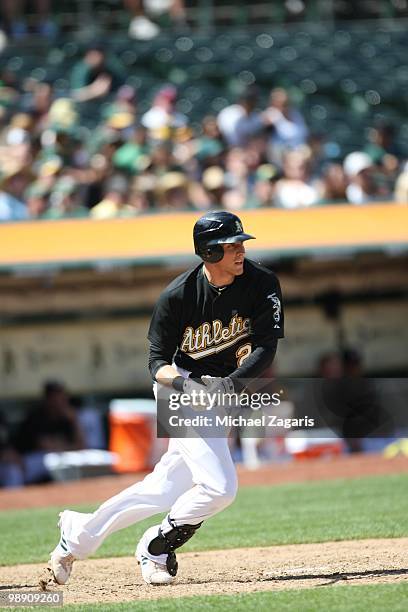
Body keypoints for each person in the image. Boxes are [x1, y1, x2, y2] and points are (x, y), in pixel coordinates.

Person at [49, 210, 284, 586]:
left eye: (241, 243)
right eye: (231, 245)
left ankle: (76, 536)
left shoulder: (262, 282)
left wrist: (231, 385)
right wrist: (191, 388)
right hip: (183, 388)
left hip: (222, 388)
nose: (240, 251)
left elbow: (266, 347)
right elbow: (157, 364)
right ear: (208, 253)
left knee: (163, 489)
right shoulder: (178, 295)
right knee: (219, 488)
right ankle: (156, 546)